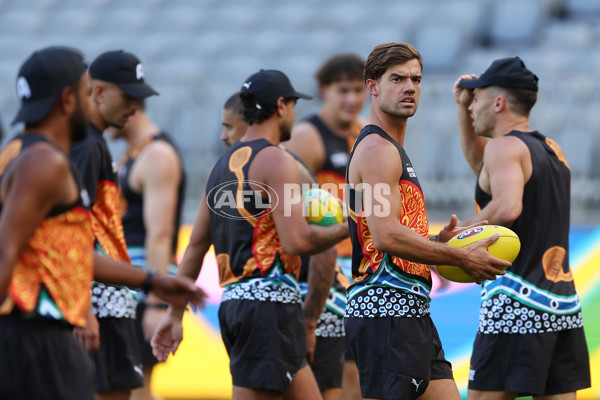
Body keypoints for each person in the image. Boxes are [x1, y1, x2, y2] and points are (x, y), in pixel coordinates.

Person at [0, 46, 204, 400]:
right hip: (35, 333)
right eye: (84, 92)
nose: (91, 100)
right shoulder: (45, 163)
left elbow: (72, 250)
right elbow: (5, 252)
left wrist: (153, 281)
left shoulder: (21, 150)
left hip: (42, 331)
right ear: (67, 100)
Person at [151, 69, 350, 400]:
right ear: (282, 105)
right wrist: (350, 227)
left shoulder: (220, 167)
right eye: (294, 106)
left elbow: (195, 248)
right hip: (267, 310)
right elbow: (297, 241)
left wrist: (173, 314)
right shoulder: (275, 160)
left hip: (243, 308)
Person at [344, 42, 511, 400]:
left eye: (416, 79)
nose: (409, 87)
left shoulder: (391, 148)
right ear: (372, 87)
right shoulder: (377, 150)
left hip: (409, 312)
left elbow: (387, 233)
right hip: (386, 312)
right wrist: (461, 257)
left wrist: (436, 242)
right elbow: (386, 237)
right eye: (397, 79)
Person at [454, 57, 591, 399]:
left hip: (516, 301)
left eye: (478, 97)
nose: (473, 105)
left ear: (498, 103)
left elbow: (506, 205)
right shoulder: (551, 149)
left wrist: (456, 238)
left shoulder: (504, 147)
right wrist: (461, 111)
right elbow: (483, 170)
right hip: (562, 304)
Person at [218, 91, 341, 399]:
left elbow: (322, 245)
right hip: (276, 310)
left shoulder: (286, 169)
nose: (223, 136)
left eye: (229, 127)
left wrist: (311, 319)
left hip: (310, 306)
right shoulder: (230, 173)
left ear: (250, 125)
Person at [69, 49, 158, 400]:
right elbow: (73, 231)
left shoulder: (94, 144)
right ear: (99, 92)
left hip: (106, 299)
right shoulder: (88, 146)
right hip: (98, 303)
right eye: (128, 96)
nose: (135, 107)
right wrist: (85, 311)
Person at [284, 53, 367, 400]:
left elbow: (365, 206)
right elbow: (287, 208)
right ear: (325, 91)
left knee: (356, 372)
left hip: (355, 271)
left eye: (358, 90)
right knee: (329, 379)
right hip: (320, 272)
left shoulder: (363, 134)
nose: (351, 99)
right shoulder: (307, 136)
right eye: (342, 90)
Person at [107, 102, 185, 400]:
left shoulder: (156, 154)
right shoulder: (134, 153)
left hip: (143, 287)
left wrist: (156, 303)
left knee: (137, 388)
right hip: (132, 284)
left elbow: (160, 233)